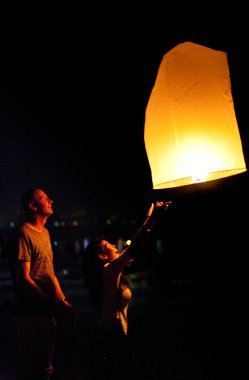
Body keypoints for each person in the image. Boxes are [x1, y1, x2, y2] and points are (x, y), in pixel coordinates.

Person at [82, 200, 172, 379]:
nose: (115, 247)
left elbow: (135, 247)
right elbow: (135, 247)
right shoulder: (108, 271)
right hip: (111, 336)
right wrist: (152, 217)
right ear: (101, 256)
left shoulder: (113, 274)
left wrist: (149, 218)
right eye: (110, 246)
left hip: (115, 333)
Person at [8, 188, 78, 380]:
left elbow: (49, 273)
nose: (51, 201)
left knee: (46, 367)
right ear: (33, 206)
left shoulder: (45, 233)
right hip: (29, 313)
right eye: (45, 198)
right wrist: (52, 303)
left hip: (47, 311)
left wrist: (62, 300)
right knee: (31, 369)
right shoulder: (23, 234)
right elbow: (24, 278)